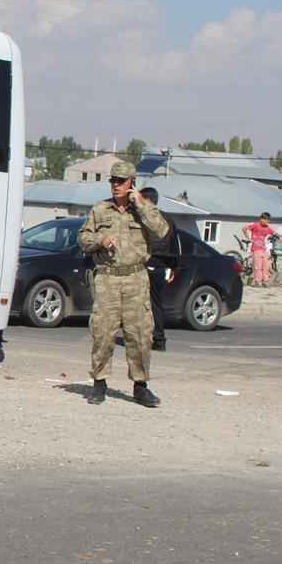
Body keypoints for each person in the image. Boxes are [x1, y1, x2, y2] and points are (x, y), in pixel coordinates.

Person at [77, 162, 170, 408]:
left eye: (120, 180)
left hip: (136, 278)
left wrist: (140, 204)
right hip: (107, 278)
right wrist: (100, 238)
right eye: (112, 180)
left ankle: (140, 387)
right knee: (103, 332)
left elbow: (162, 232)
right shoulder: (100, 209)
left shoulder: (144, 208)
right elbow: (83, 238)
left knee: (138, 335)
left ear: (132, 183)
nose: (115, 184)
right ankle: (99, 384)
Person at [141, 187, 177, 352]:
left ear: (148, 200)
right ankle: (159, 339)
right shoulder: (168, 219)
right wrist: (172, 266)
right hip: (161, 266)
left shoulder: (145, 218)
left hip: (148, 264)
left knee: (143, 303)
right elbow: (174, 247)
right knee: (155, 302)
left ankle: (154, 338)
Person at [240, 212, 278, 288]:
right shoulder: (256, 225)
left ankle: (265, 281)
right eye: (262, 218)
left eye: (265, 219)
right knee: (258, 266)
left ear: (268, 220)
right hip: (256, 248)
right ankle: (258, 282)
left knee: (265, 266)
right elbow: (244, 229)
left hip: (264, 249)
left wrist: (279, 236)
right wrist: (249, 238)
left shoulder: (267, 228)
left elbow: (274, 233)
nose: (263, 220)